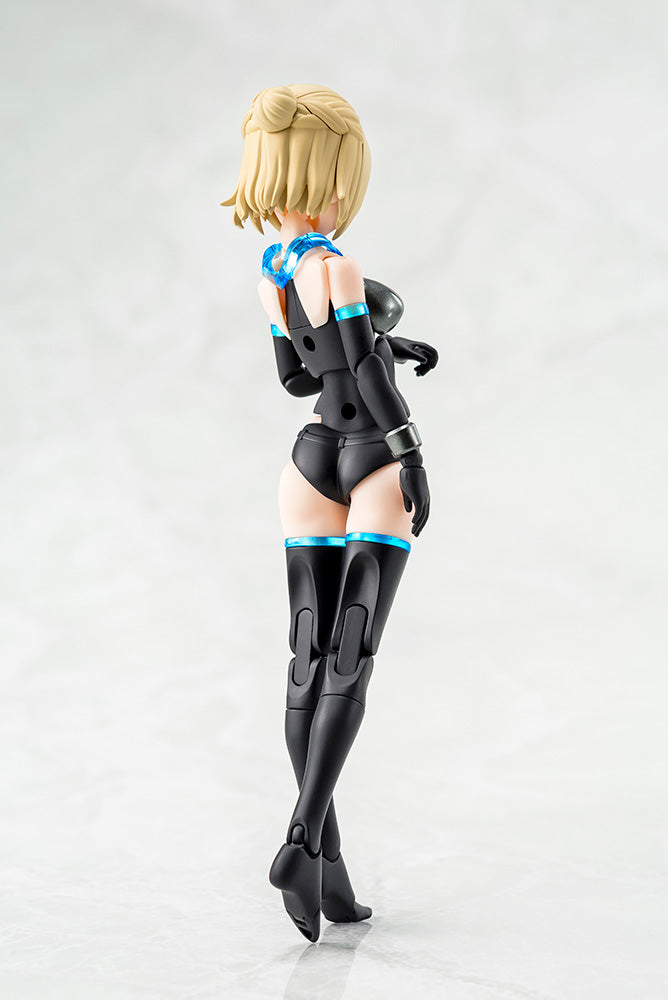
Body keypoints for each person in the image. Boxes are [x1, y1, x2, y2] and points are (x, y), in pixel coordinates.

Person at [223, 85, 436, 942]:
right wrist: (411, 451)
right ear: (335, 174)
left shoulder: (273, 274)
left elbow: (301, 377)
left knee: (306, 658)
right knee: (350, 658)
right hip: (370, 456)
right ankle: (302, 837)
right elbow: (367, 380)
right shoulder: (337, 266)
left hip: (310, 458)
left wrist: (385, 342)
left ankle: (329, 872)